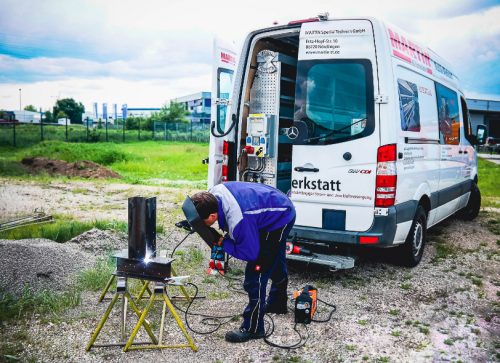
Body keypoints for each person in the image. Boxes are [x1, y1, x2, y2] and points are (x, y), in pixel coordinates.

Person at [189, 181, 295, 343]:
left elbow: (250, 253)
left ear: (212, 216)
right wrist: (194, 223)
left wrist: (223, 242)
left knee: (257, 273)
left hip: (280, 217)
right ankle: (278, 303)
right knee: (274, 258)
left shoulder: (238, 219)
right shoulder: (211, 196)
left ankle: (253, 328)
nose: (201, 226)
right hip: (272, 206)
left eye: (202, 222)